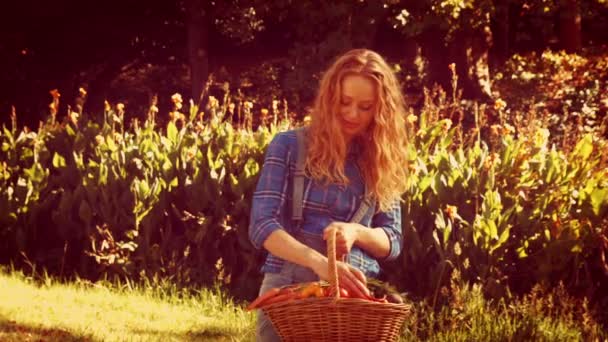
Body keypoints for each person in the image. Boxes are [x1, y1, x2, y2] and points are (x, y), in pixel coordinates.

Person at [248, 48, 409, 341]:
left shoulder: (381, 159)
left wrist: (357, 231)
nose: (352, 114)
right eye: (345, 102)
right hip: (288, 289)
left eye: (365, 107)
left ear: (381, 109)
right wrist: (320, 263)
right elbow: (262, 226)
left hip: (356, 299)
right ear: (329, 97)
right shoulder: (289, 146)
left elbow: (393, 241)